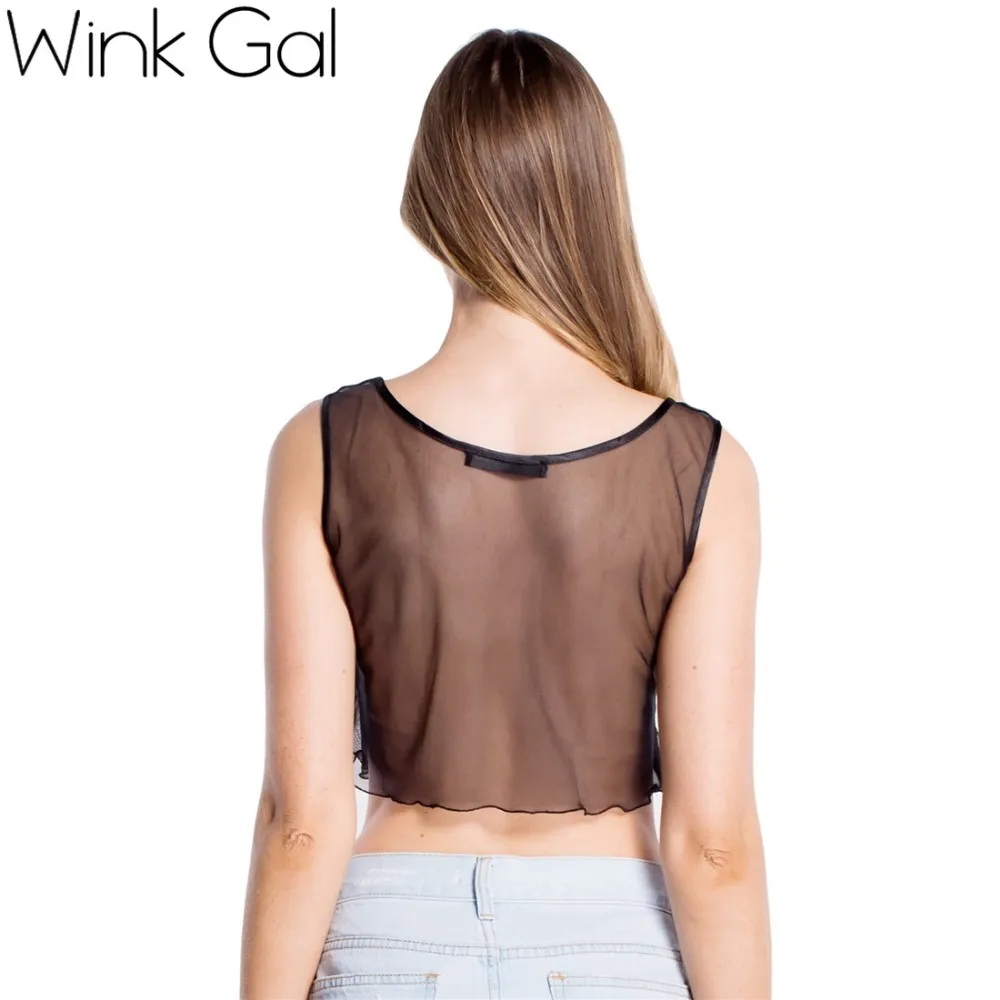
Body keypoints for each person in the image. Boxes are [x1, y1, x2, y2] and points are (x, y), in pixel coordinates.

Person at [240, 27, 771, 1000]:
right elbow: (714, 843)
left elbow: (301, 823)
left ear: (432, 199)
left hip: (393, 937)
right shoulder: (703, 465)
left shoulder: (321, 447)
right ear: (592, 196)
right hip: (613, 943)